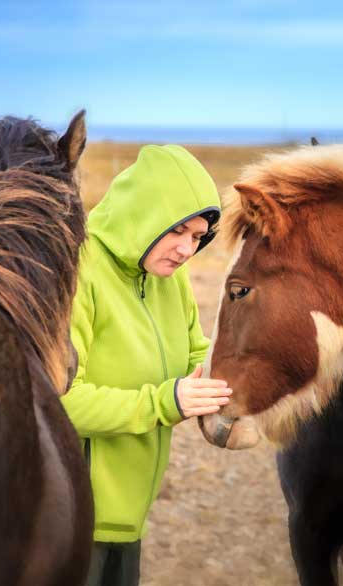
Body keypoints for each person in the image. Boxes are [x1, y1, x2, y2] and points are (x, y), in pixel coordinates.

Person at [61, 144, 232, 586]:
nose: (185, 250)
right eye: (178, 230)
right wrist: (165, 401)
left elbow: (196, 352)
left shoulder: (168, 278)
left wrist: (245, 378)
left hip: (129, 517)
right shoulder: (79, 271)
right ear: (146, 210)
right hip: (70, 518)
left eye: (197, 238)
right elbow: (58, 402)